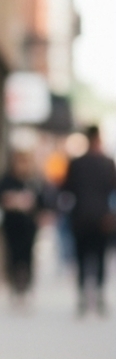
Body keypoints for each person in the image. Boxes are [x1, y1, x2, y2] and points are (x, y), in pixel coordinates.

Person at [62, 126, 116, 315]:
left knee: (81, 258)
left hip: (80, 218)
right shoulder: (108, 163)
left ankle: (83, 297)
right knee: (100, 258)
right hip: (103, 218)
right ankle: (99, 295)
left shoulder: (76, 164)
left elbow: (66, 191)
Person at [0, 148, 46, 303]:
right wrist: (10, 200)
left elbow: (42, 202)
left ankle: (26, 286)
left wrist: (30, 203)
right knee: (12, 256)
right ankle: (14, 286)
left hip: (28, 225)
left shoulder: (33, 181)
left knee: (27, 256)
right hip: (11, 224)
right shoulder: (6, 180)